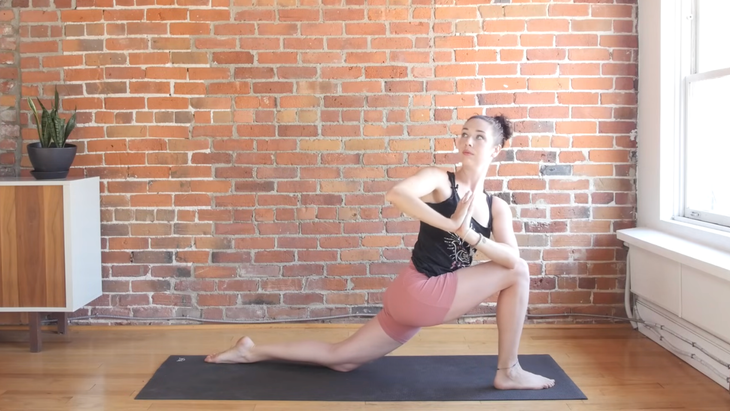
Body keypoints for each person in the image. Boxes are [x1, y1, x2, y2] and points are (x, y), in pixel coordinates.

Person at [205, 114, 556, 390]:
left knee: (341, 358)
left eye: (479, 136)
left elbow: (512, 259)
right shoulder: (439, 179)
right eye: (464, 133)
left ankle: (251, 350)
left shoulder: (497, 207)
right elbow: (398, 195)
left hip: (414, 298)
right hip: (420, 292)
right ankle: (508, 370)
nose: (468, 140)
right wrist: (452, 225)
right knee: (518, 272)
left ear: (496, 149)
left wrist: (471, 235)